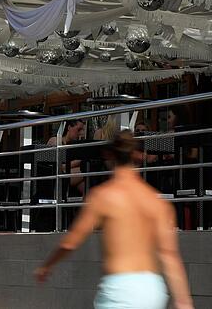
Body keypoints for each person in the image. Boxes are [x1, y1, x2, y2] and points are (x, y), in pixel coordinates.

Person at [35, 131, 194, 309]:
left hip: (119, 289)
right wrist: (183, 300)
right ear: (138, 156)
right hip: (153, 289)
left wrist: (47, 266)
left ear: (108, 155)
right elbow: (169, 255)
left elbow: (70, 243)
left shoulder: (103, 196)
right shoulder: (156, 201)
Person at [48, 119, 87, 193]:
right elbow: (58, 166)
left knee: (86, 178)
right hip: (54, 176)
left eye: (82, 130)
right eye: (79, 129)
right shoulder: (56, 140)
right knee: (87, 170)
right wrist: (79, 162)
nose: (81, 133)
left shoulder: (74, 146)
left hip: (66, 176)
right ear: (69, 127)